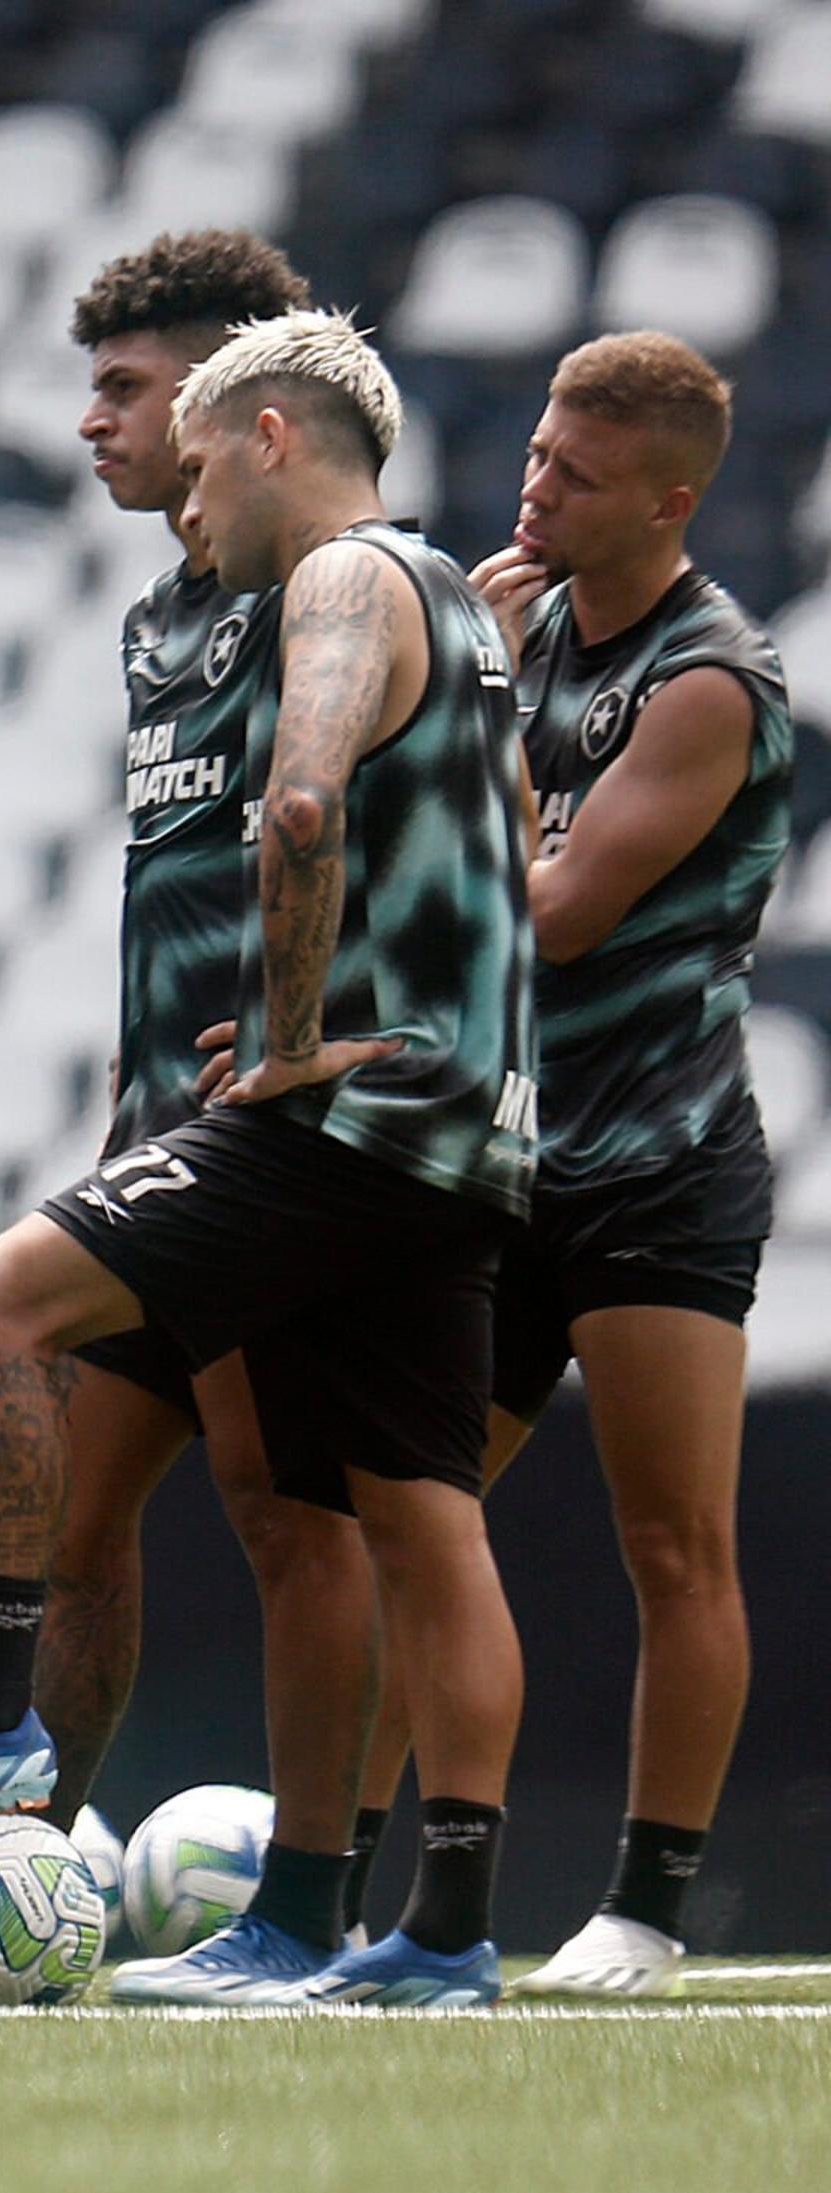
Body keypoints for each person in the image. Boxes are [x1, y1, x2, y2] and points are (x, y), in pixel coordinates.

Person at [0, 313, 541, 2010]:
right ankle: (420, 1933)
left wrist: (284, 1041)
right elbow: (500, 849)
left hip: (333, 1123)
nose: (186, 492)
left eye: (200, 450)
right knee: (416, 1522)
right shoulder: (441, 600)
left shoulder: (345, 582)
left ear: (271, 432)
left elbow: (300, 808)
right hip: (454, 1125)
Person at [460, 332, 787, 2000]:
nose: (535, 490)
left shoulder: (711, 679)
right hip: (514, 1156)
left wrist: (476, 734)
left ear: (669, 498)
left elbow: (558, 916)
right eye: (533, 457)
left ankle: (648, 1907)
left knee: (675, 1546)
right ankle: (411, 1902)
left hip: (658, 1161)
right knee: (419, 1511)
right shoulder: (522, 641)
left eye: (576, 477)